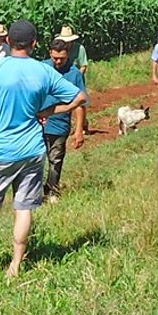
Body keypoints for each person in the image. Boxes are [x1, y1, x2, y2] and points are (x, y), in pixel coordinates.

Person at [0, 20, 86, 279]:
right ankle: (15, 266)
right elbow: (79, 98)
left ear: (8, 42)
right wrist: (49, 111)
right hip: (32, 150)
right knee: (23, 207)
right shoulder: (44, 71)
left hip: (1, 150)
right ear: (35, 43)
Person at [42, 39, 87, 202]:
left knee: (56, 159)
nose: (58, 61)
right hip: (37, 123)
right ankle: (34, 192)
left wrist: (79, 131)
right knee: (36, 160)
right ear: (50, 54)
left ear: (67, 54)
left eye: (61, 58)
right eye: (55, 58)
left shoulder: (74, 73)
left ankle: (52, 191)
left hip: (60, 125)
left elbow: (80, 104)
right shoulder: (42, 68)